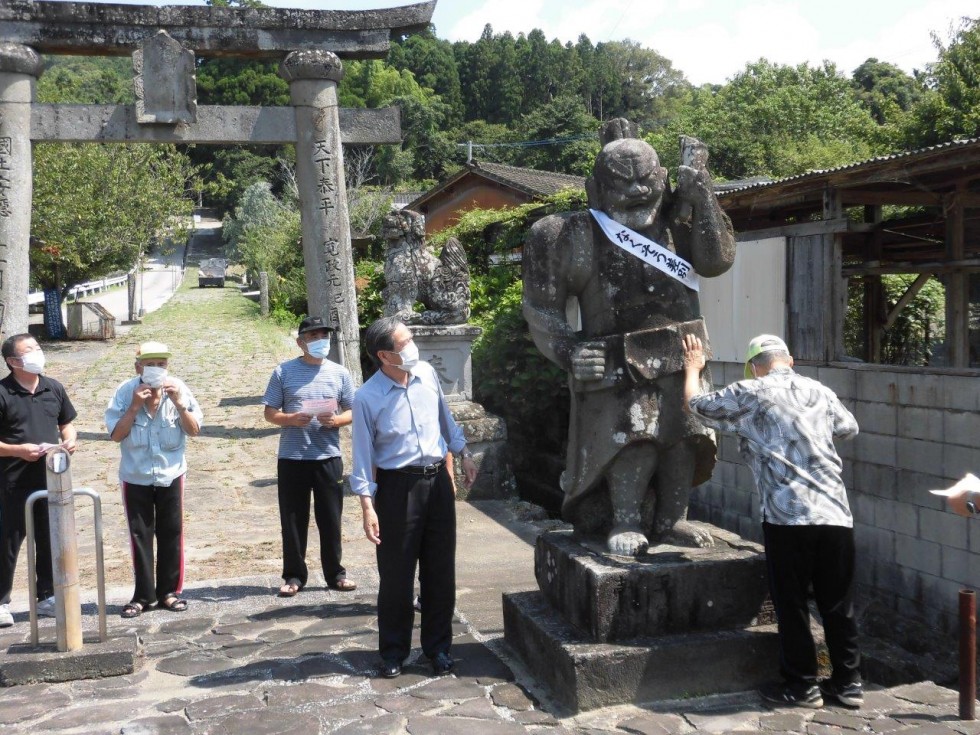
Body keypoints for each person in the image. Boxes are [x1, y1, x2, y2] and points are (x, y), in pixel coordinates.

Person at [522, 118, 736, 556]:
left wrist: (704, 197)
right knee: (633, 439)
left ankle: (674, 518)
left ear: (662, 178)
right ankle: (625, 519)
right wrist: (568, 350)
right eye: (622, 183)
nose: (638, 193)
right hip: (616, 357)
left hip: (685, 351)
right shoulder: (569, 234)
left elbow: (716, 262)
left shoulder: (681, 218)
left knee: (685, 437)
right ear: (595, 187)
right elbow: (541, 306)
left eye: (646, 181)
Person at [682, 333, 863, 710]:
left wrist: (692, 369)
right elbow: (848, 428)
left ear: (754, 365)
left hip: (788, 516)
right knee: (837, 602)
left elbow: (697, 407)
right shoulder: (821, 391)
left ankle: (802, 686)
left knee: (792, 603)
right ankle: (848, 685)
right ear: (790, 360)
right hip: (835, 513)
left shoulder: (750, 391)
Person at [350, 316, 478, 679]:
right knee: (396, 576)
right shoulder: (367, 398)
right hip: (396, 490)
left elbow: (445, 419)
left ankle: (438, 647)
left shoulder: (426, 375)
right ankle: (393, 651)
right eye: (403, 343)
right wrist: (366, 506)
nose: (412, 346)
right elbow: (362, 456)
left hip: (436, 482)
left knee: (440, 572)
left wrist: (464, 453)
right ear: (384, 355)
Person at [105, 341, 203, 617]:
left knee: (172, 533)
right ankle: (143, 595)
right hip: (136, 475)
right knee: (140, 535)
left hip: (171, 474)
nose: (156, 369)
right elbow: (115, 435)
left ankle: (169, 592)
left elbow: (195, 430)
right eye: (150, 365)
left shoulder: (179, 389)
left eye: (161, 364)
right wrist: (134, 406)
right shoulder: (125, 393)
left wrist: (181, 406)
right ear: (138, 367)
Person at [263, 315, 356, 597]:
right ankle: (293, 575)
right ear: (300, 342)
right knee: (292, 519)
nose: (320, 341)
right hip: (293, 456)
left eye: (323, 336)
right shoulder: (283, 372)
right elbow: (269, 412)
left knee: (331, 517)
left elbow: (353, 410)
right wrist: (290, 419)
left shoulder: (340, 373)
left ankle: (335, 573)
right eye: (313, 337)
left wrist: (337, 421)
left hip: (328, 455)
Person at [0, 334, 78, 628]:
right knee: (8, 541)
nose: (37, 353)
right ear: (13, 362)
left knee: (48, 537)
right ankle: (1, 601)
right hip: (11, 481)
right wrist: (17, 451)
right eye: (29, 350)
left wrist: (69, 441)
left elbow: (66, 424)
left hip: (51, 476)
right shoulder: (3, 393)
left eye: (37, 348)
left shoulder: (52, 387)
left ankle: (46, 595)